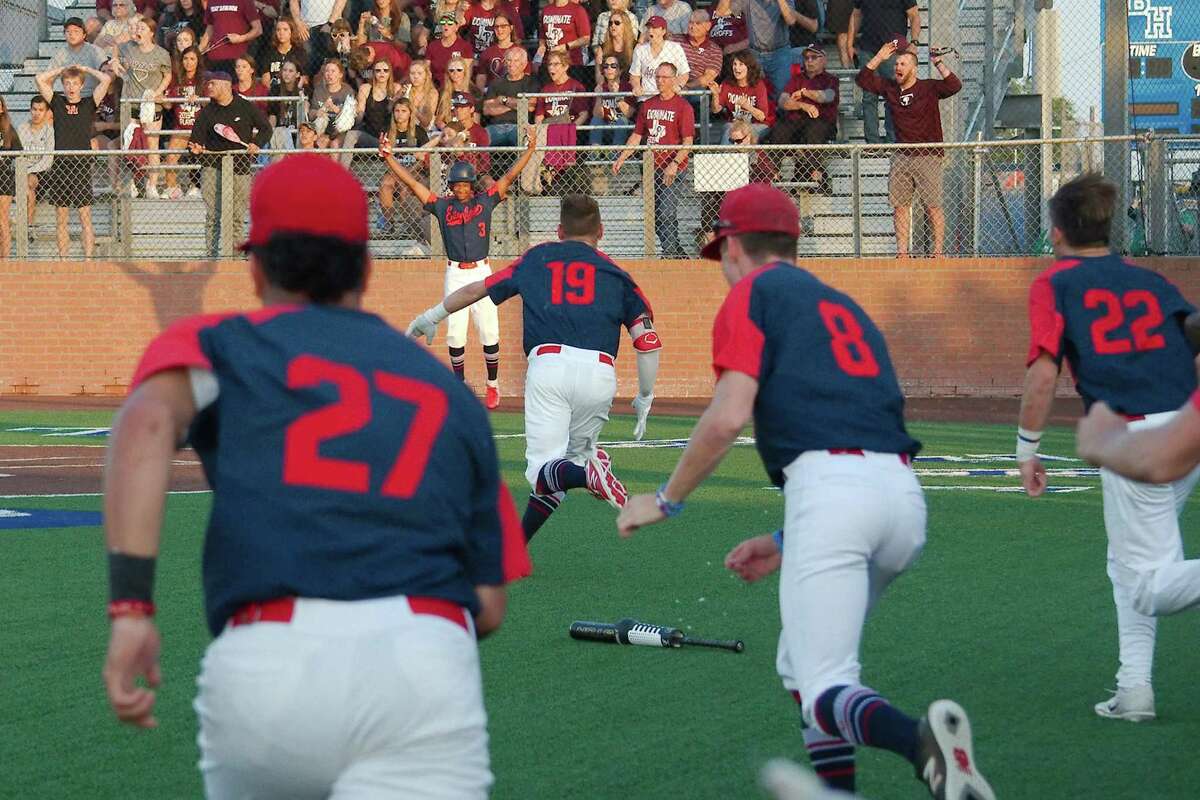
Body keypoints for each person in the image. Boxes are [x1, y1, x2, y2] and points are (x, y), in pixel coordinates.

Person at [101, 153, 531, 797]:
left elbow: (142, 427)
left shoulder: (216, 341)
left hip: (269, 659)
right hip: (421, 659)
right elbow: (490, 603)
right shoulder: (450, 397)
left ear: (254, 266)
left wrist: (132, 608)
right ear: (366, 265)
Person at [615, 182, 996, 800]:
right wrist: (785, 539)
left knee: (823, 687)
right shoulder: (841, 305)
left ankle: (921, 742)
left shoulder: (753, 295)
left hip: (831, 492)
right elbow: (863, 437)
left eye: (722, 255)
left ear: (734, 245)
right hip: (900, 497)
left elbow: (727, 416)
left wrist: (664, 500)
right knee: (803, 667)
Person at [1017, 173, 1200, 723]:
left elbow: (1044, 375)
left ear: (1055, 232)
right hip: (1184, 424)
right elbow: (1191, 335)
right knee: (1130, 564)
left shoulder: (1055, 282)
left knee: (1147, 585)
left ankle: (1135, 689)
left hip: (1134, 435)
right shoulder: (1149, 280)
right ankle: (1134, 691)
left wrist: (1027, 447)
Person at [408, 193, 661, 540]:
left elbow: (477, 290)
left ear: (559, 230)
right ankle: (516, 544)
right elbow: (647, 342)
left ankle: (590, 473)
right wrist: (645, 397)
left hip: (550, 368)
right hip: (600, 373)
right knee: (559, 473)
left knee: (542, 472)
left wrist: (430, 316)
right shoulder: (619, 276)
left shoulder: (536, 258)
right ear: (601, 231)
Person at [378, 130, 538, 407]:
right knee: (455, 332)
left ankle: (492, 384)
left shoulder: (484, 201)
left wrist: (530, 149)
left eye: (466, 184)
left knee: (489, 331)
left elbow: (509, 177)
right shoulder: (442, 206)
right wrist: (390, 159)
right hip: (455, 272)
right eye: (457, 184)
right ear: (451, 186)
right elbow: (413, 184)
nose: (461, 188)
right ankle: (459, 384)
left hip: (481, 271)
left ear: (472, 185)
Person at [856, 39, 959, 257]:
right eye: (896, 64)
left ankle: (938, 252)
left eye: (903, 64)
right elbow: (862, 79)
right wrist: (880, 57)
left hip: (928, 155)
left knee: (933, 206)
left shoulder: (928, 87)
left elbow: (954, 86)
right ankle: (902, 253)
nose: (897, 68)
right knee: (900, 206)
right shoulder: (891, 89)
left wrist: (938, 62)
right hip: (902, 155)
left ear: (914, 68)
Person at [613, 62, 693, 258]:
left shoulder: (683, 107)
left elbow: (688, 142)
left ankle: (669, 254)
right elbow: (637, 135)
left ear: (674, 79)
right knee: (657, 217)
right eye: (657, 77)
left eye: (665, 77)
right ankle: (677, 253)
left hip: (674, 167)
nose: (660, 81)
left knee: (667, 212)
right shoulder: (648, 105)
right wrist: (622, 157)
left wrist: (674, 164)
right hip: (651, 168)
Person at [187, 70, 272, 256]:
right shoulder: (206, 112)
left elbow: (266, 128)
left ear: (226, 85)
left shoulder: (245, 107)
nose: (208, 87)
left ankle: (237, 257)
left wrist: (256, 144)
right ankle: (212, 256)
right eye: (207, 83)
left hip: (240, 166)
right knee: (213, 216)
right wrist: (195, 148)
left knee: (237, 216)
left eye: (213, 83)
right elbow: (194, 141)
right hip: (212, 166)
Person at [36, 65, 113, 259]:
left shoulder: (89, 103)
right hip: (61, 164)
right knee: (61, 218)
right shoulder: (57, 102)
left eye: (75, 83)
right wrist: (61, 69)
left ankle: (87, 260)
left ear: (81, 85)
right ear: (63, 85)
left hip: (81, 165)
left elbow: (106, 80)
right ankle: (64, 261)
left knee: (84, 216)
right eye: (67, 83)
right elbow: (40, 79)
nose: (71, 87)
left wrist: (84, 68)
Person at [113, 16, 173, 198]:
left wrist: (158, 92)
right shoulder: (129, 47)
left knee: (152, 144)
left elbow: (167, 75)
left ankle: (152, 184)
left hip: (151, 104)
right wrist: (115, 60)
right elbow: (115, 46)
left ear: (151, 32)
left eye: (142, 28)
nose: (138, 31)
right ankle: (132, 182)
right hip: (131, 102)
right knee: (131, 143)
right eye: (137, 27)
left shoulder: (161, 53)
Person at [847, 0, 920, 144]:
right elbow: (855, 15)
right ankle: (872, 143)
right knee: (869, 97)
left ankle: (893, 140)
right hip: (868, 50)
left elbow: (914, 15)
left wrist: (914, 42)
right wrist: (849, 44)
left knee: (893, 96)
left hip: (894, 51)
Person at [769, 42, 838, 189]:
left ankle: (815, 173)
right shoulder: (796, 79)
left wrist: (804, 93)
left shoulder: (830, 79)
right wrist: (802, 105)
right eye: (806, 58)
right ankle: (773, 173)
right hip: (796, 123)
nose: (809, 61)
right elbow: (783, 101)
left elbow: (826, 96)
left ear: (824, 59)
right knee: (779, 128)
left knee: (815, 128)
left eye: (814, 57)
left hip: (822, 123)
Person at [376, 97, 430, 236]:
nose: (400, 114)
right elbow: (383, 157)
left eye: (404, 111)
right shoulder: (387, 131)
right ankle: (389, 223)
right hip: (394, 170)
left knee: (404, 187)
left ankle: (411, 226)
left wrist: (407, 172)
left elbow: (424, 157)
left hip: (415, 170)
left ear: (410, 113)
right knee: (385, 184)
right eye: (397, 111)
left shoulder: (419, 131)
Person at [163, 46, 205, 199]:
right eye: (185, 59)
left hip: (199, 128)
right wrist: (161, 98)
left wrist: (199, 99)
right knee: (170, 159)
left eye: (192, 59)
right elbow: (168, 105)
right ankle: (173, 188)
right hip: (181, 127)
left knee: (197, 159)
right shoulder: (176, 80)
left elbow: (212, 103)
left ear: (198, 61)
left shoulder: (203, 80)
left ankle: (195, 186)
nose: (188, 62)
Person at [340, 58, 399, 166]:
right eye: (378, 70)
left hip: (389, 136)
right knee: (351, 135)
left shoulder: (395, 88)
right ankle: (342, 173)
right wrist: (350, 114)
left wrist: (394, 101)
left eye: (385, 70)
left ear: (390, 73)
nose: (382, 73)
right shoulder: (365, 88)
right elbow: (360, 114)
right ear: (373, 72)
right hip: (370, 133)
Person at [706, 48, 772, 142]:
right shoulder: (727, 83)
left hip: (756, 124)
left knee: (745, 133)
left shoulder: (758, 85)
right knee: (730, 130)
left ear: (749, 67)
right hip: (734, 124)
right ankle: (726, 156)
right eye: (735, 64)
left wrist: (748, 107)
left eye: (741, 64)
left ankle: (748, 157)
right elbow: (716, 110)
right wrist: (715, 94)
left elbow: (762, 117)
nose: (737, 68)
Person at [678, 9, 722, 141]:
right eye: (691, 22)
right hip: (672, 83)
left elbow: (707, 78)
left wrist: (686, 87)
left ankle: (694, 139)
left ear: (708, 26)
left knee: (700, 94)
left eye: (697, 23)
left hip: (693, 88)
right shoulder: (675, 40)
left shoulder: (714, 49)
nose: (692, 26)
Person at [482, 47, 539, 147]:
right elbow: (487, 109)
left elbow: (530, 107)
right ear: (505, 62)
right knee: (480, 138)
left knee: (525, 141)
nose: (511, 64)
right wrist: (517, 105)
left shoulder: (531, 82)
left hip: (519, 127)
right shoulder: (496, 83)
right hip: (496, 126)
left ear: (524, 64)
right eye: (509, 60)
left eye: (516, 61)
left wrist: (504, 100)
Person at [16, 96, 55, 233]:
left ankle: (28, 225)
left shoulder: (49, 131)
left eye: (40, 110)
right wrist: (21, 171)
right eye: (34, 109)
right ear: (30, 110)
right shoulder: (22, 128)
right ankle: (27, 226)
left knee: (28, 182)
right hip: (20, 169)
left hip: (41, 172)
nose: (37, 113)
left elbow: (47, 160)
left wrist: (28, 171)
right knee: (26, 185)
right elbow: (16, 154)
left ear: (46, 112)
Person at [629, 16, 688, 100]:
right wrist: (636, 86)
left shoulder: (675, 48)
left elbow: (685, 73)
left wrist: (678, 85)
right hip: (646, 97)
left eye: (654, 28)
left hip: (669, 96)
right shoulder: (640, 49)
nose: (650, 31)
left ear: (663, 31)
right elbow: (634, 74)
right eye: (649, 28)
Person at [534, 0, 591, 84]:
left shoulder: (577, 9)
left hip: (571, 62)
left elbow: (586, 38)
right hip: (550, 62)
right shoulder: (546, 10)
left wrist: (566, 47)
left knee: (571, 93)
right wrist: (540, 52)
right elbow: (543, 37)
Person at [49, 17, 109, 96]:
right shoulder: (60, 53)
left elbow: (106, 75)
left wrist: (87, 69)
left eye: (76, 31)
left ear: (84, 35)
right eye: (68, 32)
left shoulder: (95, 51)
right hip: (69, 97)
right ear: (64, 35)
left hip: (93, 96)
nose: (72, 35)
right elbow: (49, 78)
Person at [200, 0, 262, 74]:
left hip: (236, 59)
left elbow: (258, 29)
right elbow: (209, 30)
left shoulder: (245, 1)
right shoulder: (212, 2)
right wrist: (198, 50)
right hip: (214, 57)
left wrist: (240, 38)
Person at [589, 56, 635, 146]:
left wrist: (617, 95)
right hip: (606, 125)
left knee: (621, 121)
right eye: (606, 66)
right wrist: (599, 97)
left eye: (613, 66)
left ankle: (615, 154)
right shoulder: (601, 88)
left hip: (624, 127)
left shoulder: (627, 87)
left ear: (620, 70)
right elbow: (596, 115)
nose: (609, 68)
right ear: (603, 71)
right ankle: (594, 155)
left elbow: (628, 114)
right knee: (595, 120)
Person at [592, 0, 639, 85]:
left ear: (625, 25)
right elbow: (599, 77)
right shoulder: (602, 48)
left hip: (629, 85)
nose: (612, 25)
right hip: (609, 86)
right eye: (610, 23)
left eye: (617, 23)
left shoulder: (635, 47)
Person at [477, 11, 524, 87]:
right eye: (496, 26)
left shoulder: (520, 51)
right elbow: (481, 77)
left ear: (511, 28)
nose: (499, 30)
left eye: (503, 26)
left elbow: (526, 76)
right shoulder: (487, 53)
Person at [425, 13, 475, 85]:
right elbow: (427, 70)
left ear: (456, 27)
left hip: (457, 85)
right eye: (442, 22)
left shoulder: (465, 46)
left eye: (450, 23)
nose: (445, 25)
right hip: (436, 85)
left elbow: (467, 72)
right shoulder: (432, 46)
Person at [0, 97, 21, 259]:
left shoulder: (8, 130)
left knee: (2, 219)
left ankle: (5, 259)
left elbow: (19, 154)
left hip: (3, 178)